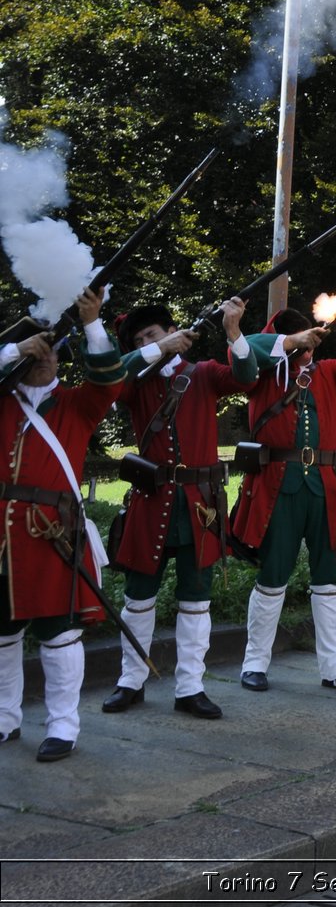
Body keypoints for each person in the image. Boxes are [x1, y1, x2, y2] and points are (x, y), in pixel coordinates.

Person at [102, 298, 255, 722]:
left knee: (196, 601)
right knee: (137, 599)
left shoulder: (202, 373)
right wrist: (156, 349)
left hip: (199, 506)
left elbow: (246, 377)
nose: (148, 342)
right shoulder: (135, 380)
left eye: (153, 333)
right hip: (151, 503)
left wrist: (233, 330)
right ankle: (130, 681)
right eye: (140, 339)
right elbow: (112, 377)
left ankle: (191, 686)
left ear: (174, 330)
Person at [234, 295, 336, 696]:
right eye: (291, 334)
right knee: (271, 579)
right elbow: (245, 354)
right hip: (277, 488)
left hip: (327, 487)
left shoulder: (330, 372)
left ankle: (334, 665)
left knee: (330, 580)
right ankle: (255, 661)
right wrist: (289, 341)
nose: (302, 341)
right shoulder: (261, 374)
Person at [0, 288, 123, 761]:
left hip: (51, 534)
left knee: (59, 634)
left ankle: (63, 727)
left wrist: (92, 321)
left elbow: (111, 380)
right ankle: (6, 718)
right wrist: (12, 349)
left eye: (51, 352)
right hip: (3, 539)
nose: (45, 360)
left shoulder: (76, 404)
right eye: (36, 353)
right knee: (4, 634)